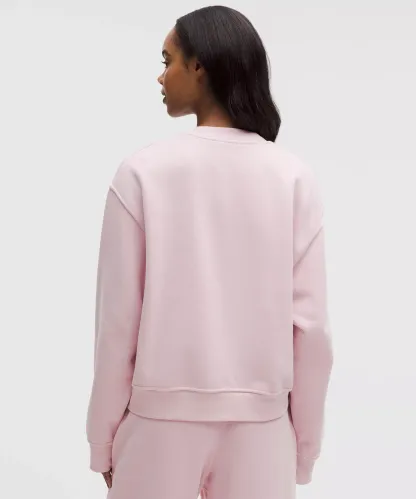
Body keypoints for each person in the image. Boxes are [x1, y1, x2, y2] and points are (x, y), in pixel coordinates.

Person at [86, 5, 333, 499]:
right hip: (263, 430)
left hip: (157, 425)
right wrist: (302, 449)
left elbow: (117, 325)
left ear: (199, 66)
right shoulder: (292, 178)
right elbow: (312, 333)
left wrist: (103, 439)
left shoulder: (141, 174)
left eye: (167, 60)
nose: (160, 77)